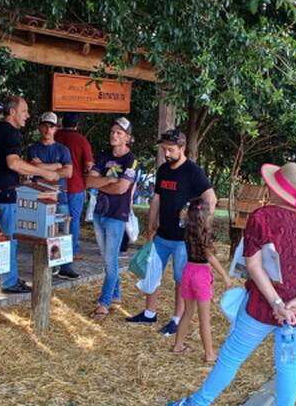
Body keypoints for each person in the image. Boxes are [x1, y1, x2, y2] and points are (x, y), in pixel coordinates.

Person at [165, 162, 296, 406]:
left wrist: (276, 303)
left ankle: (197, 405)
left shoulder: (263, 217)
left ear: (277, 189)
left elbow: (253, 264)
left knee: (231, 356)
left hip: (261, 305)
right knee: (289, 365)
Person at [126, 129, 216, 336]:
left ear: (182, 148)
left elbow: (211, 198)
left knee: (180, 279)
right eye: (164, 149)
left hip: (182, 240)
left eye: (170, 149)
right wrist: (150, 227)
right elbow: (156, 198)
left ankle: (177, 319)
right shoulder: (164, 170)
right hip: (161, 236)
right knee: (152, 274)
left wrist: (201, 226)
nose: (166, 153)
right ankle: (149, 313)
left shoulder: (193, 171)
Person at [0, 96, 59, 294]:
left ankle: (1, 278)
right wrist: (44, 172)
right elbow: (13, 162)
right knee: (8, 238)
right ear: (12, 113)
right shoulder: (11, 133)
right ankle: (8, 281)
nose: (27, 116)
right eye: (24, 111)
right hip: (5, 194)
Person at [85, 117, 138, 319]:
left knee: (110, 260)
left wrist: (102, 184)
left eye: (119, 133)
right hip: (100, 212)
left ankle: (104, 303)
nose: (114, 135)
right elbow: (89, 181)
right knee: (109, 259)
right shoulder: (103, 155)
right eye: (113, 132)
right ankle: (115, 294)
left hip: (117, 215)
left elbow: (122, 188)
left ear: (128, 138)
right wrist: (108, 180)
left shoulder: (131, 160)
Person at [169, 198, 232, 362]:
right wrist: (225, 276)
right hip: (201, 275)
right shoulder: (206, 234)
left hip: (188, 271)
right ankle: (210, 354)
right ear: (206, 215)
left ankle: (178, 346)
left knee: (187, 312)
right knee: (204, 318)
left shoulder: (187, 231)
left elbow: (183, 216)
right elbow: (210, 257)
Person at [26, 112, 76, 279]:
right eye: (45, 125)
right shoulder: (33, 149)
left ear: (57, 128)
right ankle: (46, 266)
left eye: (52, 126)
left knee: (64, 231)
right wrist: (56, 166)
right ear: (40, 127)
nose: (48, 129)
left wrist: (42, 167)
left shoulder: (63, 149)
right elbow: (32, 170)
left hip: (60, 196)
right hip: (40, 197)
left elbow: (68, 172)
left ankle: (65, 267)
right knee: (42, 232)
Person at [55, 112, 95, 264]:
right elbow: (89, 165)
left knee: (56, 219)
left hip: (55, 185)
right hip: (76, 185)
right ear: (78, 125)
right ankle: (72, 250)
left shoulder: (56, 136)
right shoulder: (81, 140)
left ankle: (55, 250)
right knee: (74, 220)